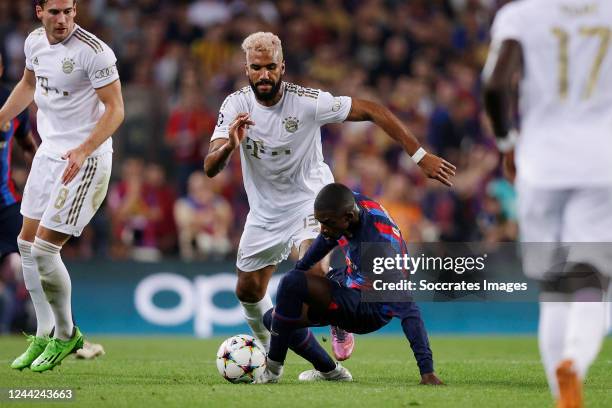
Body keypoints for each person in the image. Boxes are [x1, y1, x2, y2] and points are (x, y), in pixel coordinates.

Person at [204, 31, 455, 363]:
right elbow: (210, 167)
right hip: (265, 212)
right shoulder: (235, 105)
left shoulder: (307, 101)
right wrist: (230, 146)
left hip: (311, 200)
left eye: (270, 67)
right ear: (246, 69)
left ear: (283, 67)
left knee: (311, 276)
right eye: (256, 68)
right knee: (248, 291)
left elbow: (372, 110)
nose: (264, 75)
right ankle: (266, 350)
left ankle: (337, 325)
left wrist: (420, 155)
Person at [483, 1, 612, 406]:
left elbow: (495, 85)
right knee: (593, 276)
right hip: (601, 161)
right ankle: (574, 359)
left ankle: (563, 392)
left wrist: (506, 143)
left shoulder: (521, 15)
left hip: (540, 162)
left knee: (554, 286)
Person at [0, 0, 124, 372]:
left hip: (85, 157)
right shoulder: (34, 43)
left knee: (44, 250)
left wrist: (83, 150)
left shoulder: (95, 52)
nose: (63, 19)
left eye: (69, 11)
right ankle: (43, 333)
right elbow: (28, 84)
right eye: (55, 11)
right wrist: (3, 117)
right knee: (25, 244)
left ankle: (67, 334)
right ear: (39, 11)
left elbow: (116, 109)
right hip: (49, 153)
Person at [256, 183, 443, 384]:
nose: (323, 229)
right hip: (350, 279)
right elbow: (326, 239)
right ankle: (331, 372)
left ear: (348, 217)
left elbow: (409, 311)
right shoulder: (348, 207)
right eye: (320, 222)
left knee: (290, 284)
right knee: (273, 319)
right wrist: (302, 268)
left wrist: (427, 371)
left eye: (327, 223)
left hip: (370, 308)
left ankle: (272, 370)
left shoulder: (378, 249)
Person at [0, 52, 38, 332]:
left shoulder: (14, 103)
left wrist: (41, 171)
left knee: (41, 258)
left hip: (6, 205)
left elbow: (28, 144)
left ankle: (70, 333)